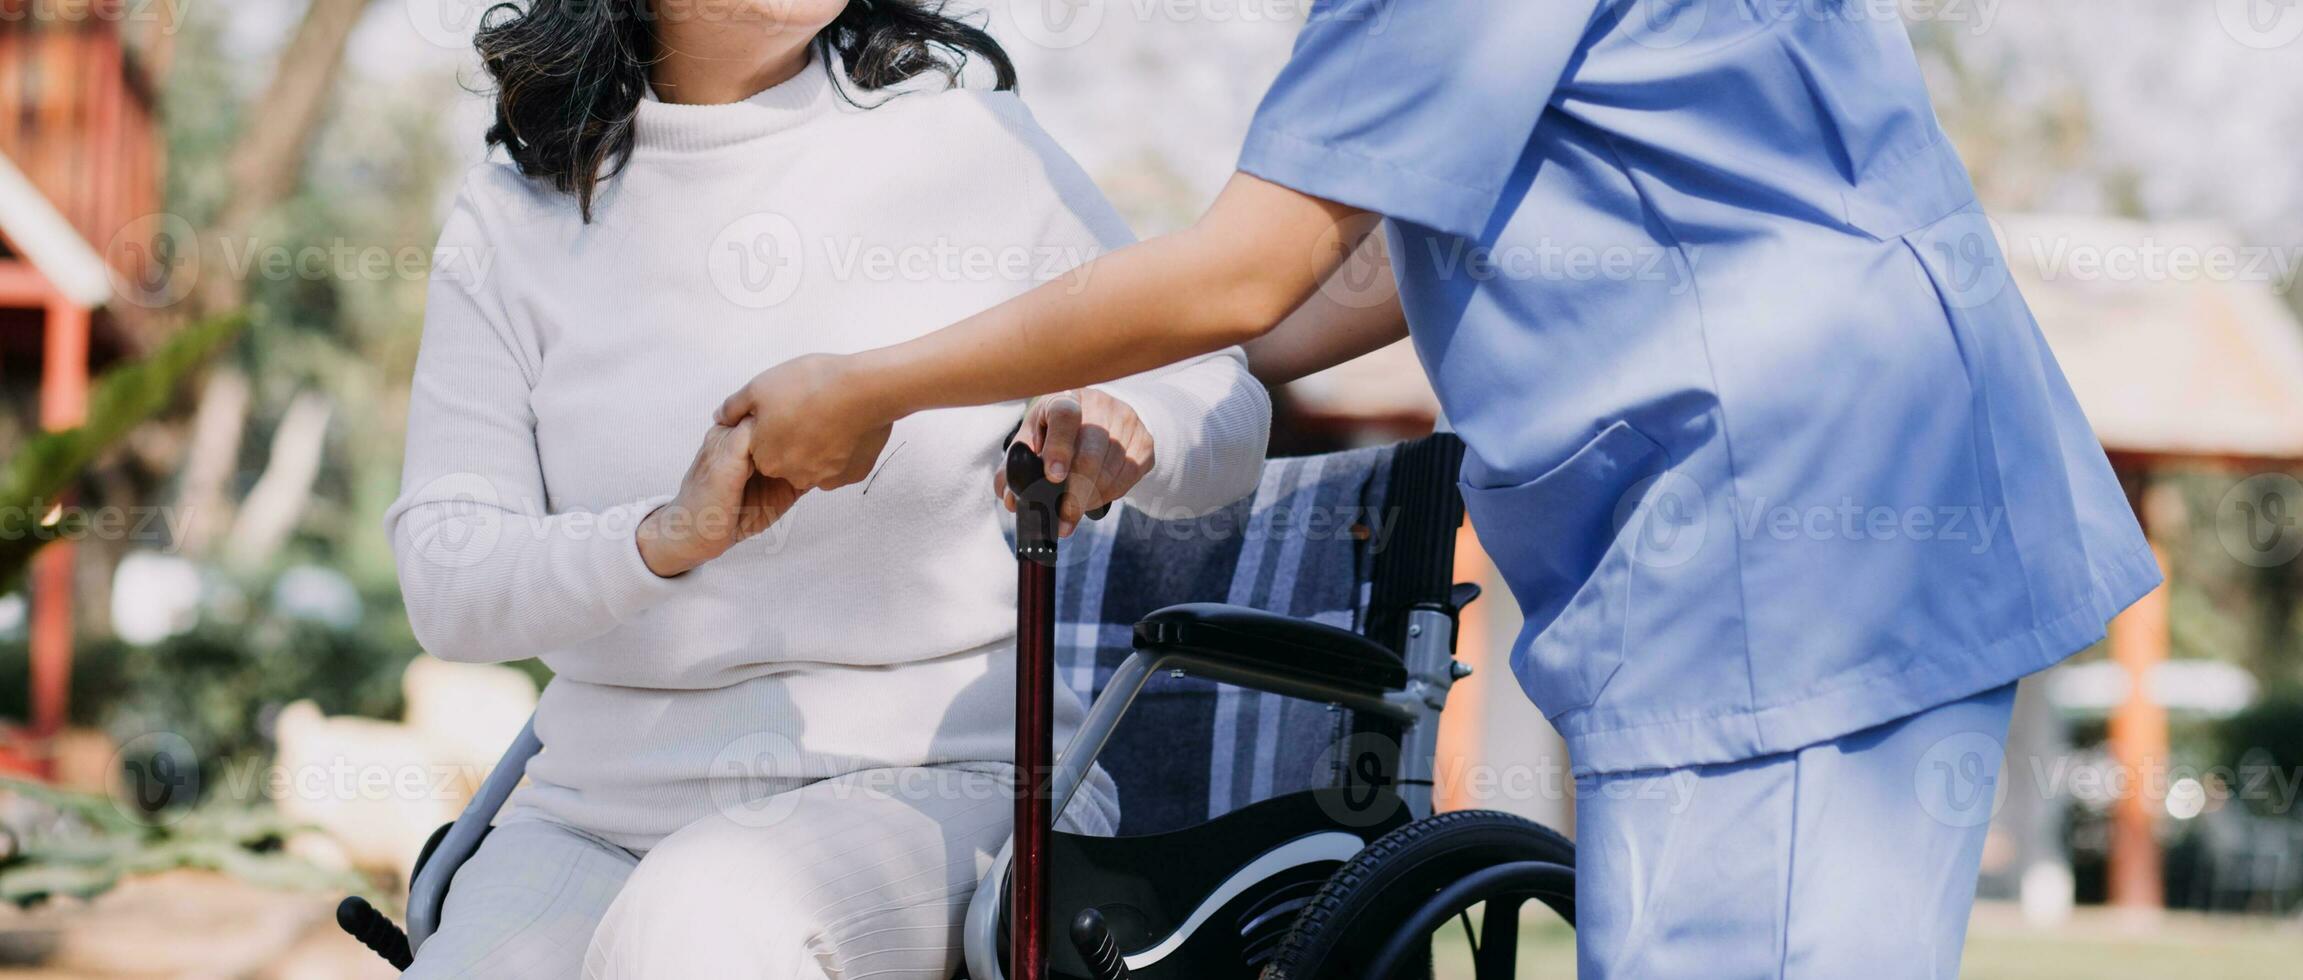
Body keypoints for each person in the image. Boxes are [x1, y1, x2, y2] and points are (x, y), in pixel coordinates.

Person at [717, 1, 2163, 975]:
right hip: (1824, 522)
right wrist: (1147, 386)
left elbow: (1246, 263)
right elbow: (1354, 271)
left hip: (1797, 548)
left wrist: (875, 386)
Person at [384, 0, 1269, 975]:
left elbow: (1218, 394)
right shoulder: (515, 211)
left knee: (699, 925)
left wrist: (1131, 429)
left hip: (951, 782)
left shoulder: (965, 145)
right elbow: (447, 573)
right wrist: (664, 535)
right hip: (596, 810)